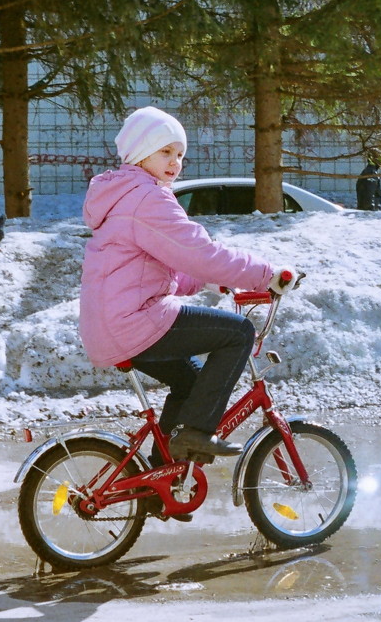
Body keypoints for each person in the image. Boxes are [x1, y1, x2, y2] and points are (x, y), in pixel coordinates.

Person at [78, 106, 298, 461]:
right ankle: (195, 433)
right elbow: (200, 252)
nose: (175, 162)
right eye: (165, 151)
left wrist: (212, 282)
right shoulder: (147, 197)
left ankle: (158, 480)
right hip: (132, 323)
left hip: (110, 324)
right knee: (238, 332)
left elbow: (154, 267)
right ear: (139, 152)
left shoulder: (124, 195)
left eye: (179, 154)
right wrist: (266, 275)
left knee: (189, 383)